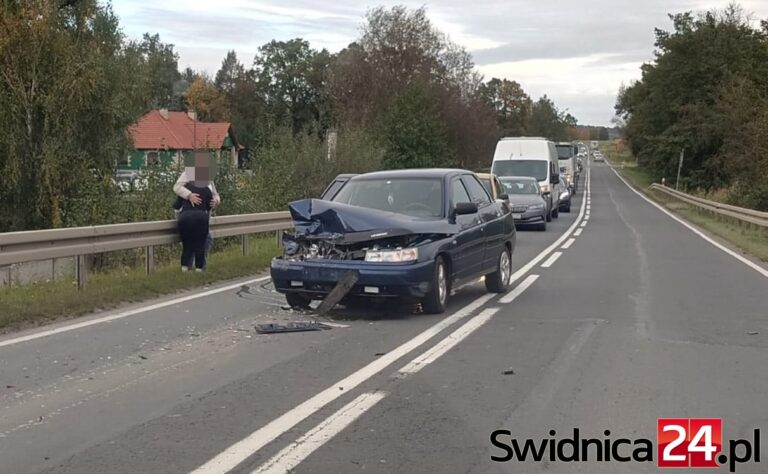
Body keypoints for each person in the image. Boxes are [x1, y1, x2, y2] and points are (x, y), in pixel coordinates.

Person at [174, 157, 220, 269]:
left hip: (202, 216)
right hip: (190, 215)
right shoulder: (187, 175)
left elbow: (214, 193)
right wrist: (189, 195)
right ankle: (195, 266)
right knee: (199, 241)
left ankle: (195, 266)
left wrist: (216, 200)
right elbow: (177, 187)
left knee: (204, 241)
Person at [177, 181, 213, 272]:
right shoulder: (206, 189)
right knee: (200, 244)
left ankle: (184, 268)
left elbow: (176, 205)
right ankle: (199, 269)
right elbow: (209, 206)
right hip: (200, 217)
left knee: (187, 244)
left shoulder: (184, 189)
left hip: (185, 218)